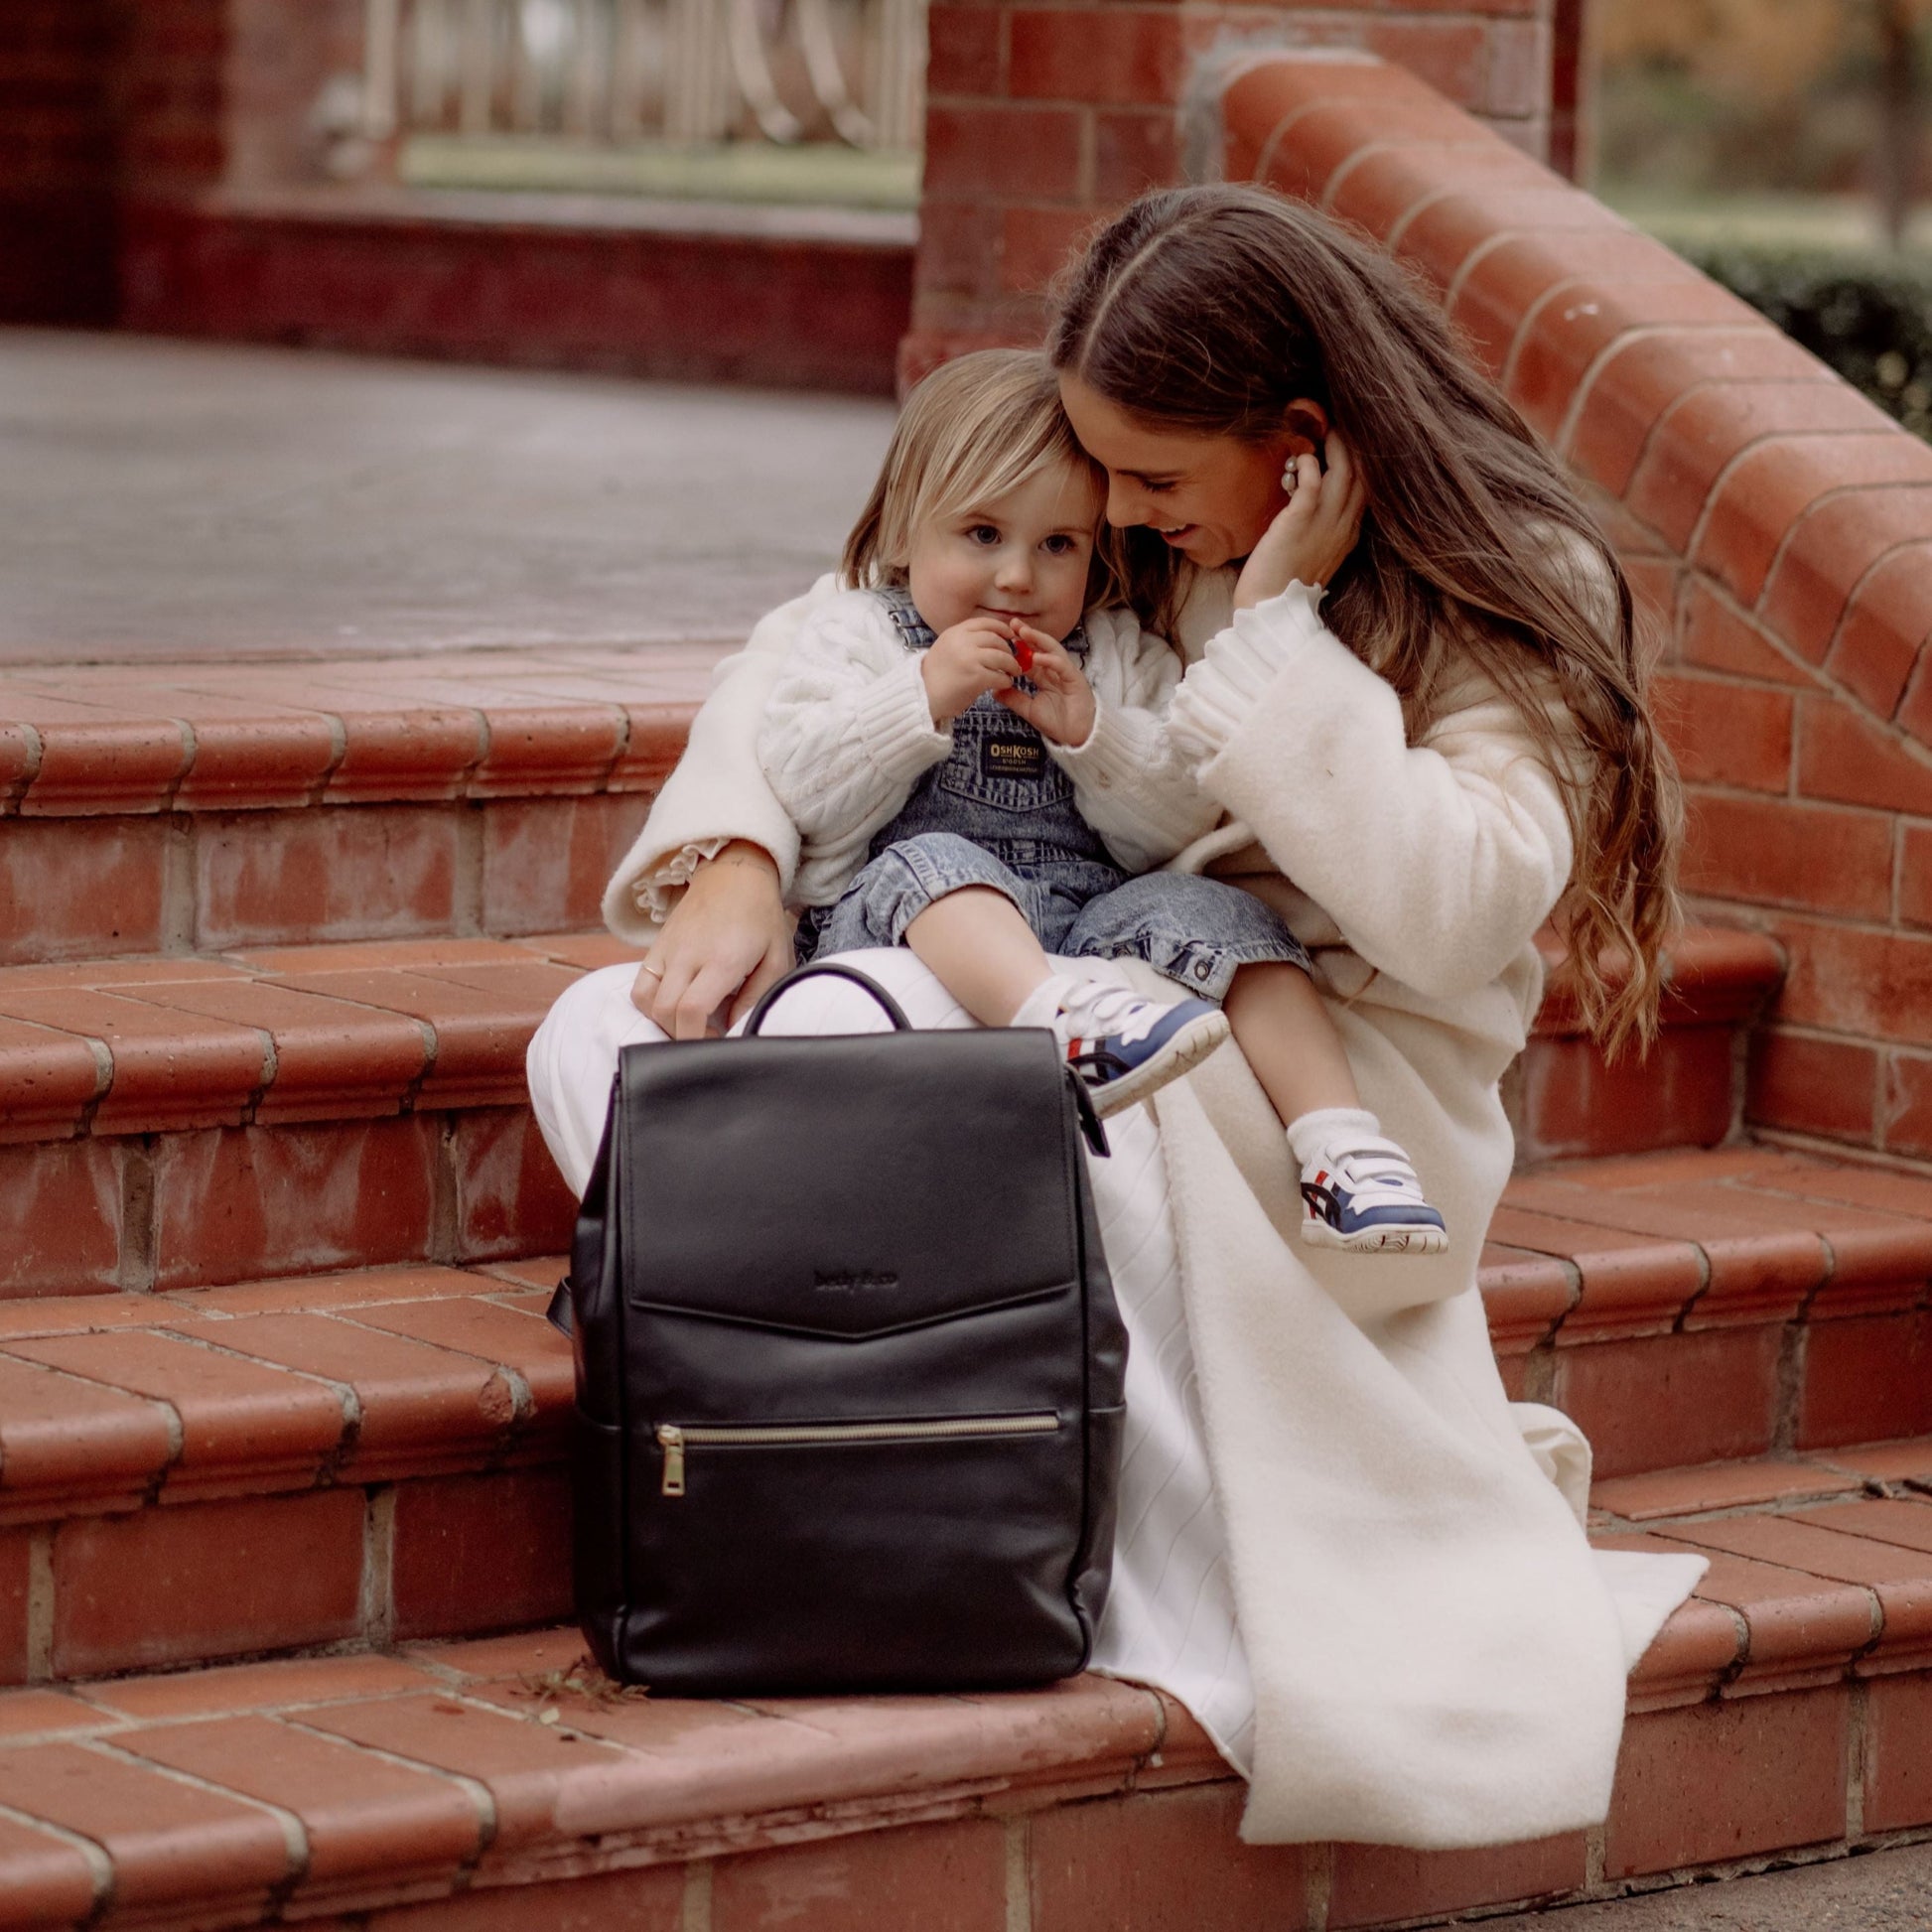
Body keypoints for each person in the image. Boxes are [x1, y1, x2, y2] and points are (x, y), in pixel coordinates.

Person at [528, 183, 1705, 1849]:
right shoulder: (1150, 545)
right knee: (598, 1033)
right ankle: (834, 1392)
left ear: (1298, 446)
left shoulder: (1502, 588)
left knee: (854, 1029)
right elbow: (841, 625)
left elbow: (1454, 913)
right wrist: (737, 847)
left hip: (1313, 1080)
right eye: (1111, 487)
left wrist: (1288, 637)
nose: (1123, 521)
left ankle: (851, 1456)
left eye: (1149, 483)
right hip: (1075, 985)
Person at [760, 345, 1450, 1247]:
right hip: (905, 915)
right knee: (938, 863)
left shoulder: (1114, 649)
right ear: (902, 531)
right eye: (982, 536)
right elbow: (802, 791)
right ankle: (1058, 1022)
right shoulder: (858, 631)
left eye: (1058, 545)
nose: (1017, 578)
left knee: (1216, 909)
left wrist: (1094, 734)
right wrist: (919, 696)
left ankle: (1345, 1153)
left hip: (1086, 914)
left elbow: (1166, 826)